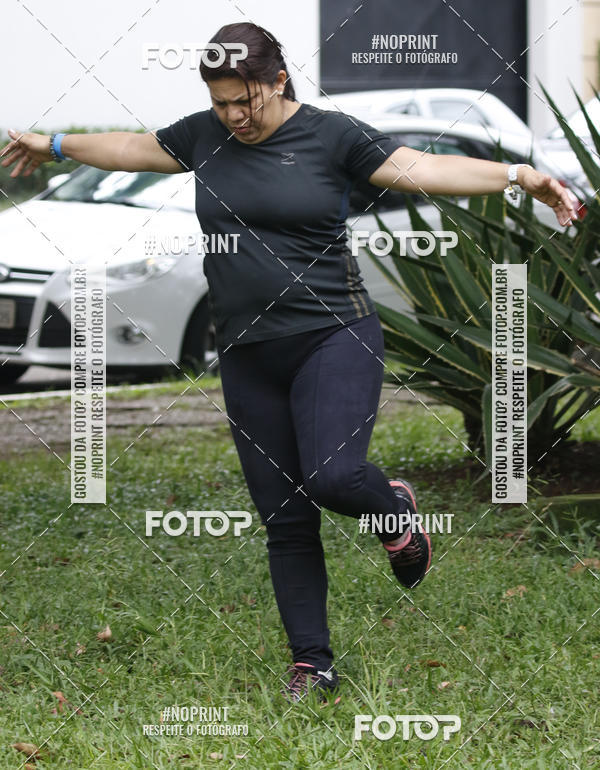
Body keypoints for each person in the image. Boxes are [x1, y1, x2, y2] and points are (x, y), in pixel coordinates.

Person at [1, 21, 577, 705]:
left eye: (246, 100)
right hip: (246, 353)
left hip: (333, 336)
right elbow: (133, 147)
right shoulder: (205, 136)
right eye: (221, 103)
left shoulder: (332, 136)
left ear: (278, 80)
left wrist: (520, 176)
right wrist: (54, 144)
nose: (234, 116)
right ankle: (312, 662)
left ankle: (393, 511)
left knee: (334, 476)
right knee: (285, 517)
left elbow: (421, 168)